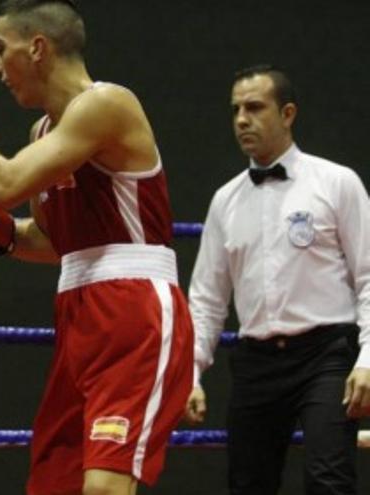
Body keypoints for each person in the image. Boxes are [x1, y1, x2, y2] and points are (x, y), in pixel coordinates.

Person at [0, 1, 193, 494]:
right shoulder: (43, 132)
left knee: (103, 487)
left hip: (136, 309)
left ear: (37, 48)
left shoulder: (106, 104)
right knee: (55, 483)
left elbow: (4, 183)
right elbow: (54, 240)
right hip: (79, 310)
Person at [184, 64, 370, 494]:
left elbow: (367, 275)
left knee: (329, 478)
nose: (242, 120)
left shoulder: (336, 182)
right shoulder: (225, 200)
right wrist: (189, 372)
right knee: (248, 484)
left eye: (254, 107)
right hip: (257, 361)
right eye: (235, 110)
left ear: (288, 113)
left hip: (326, 356)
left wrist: (367, 359)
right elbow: (207, 301)